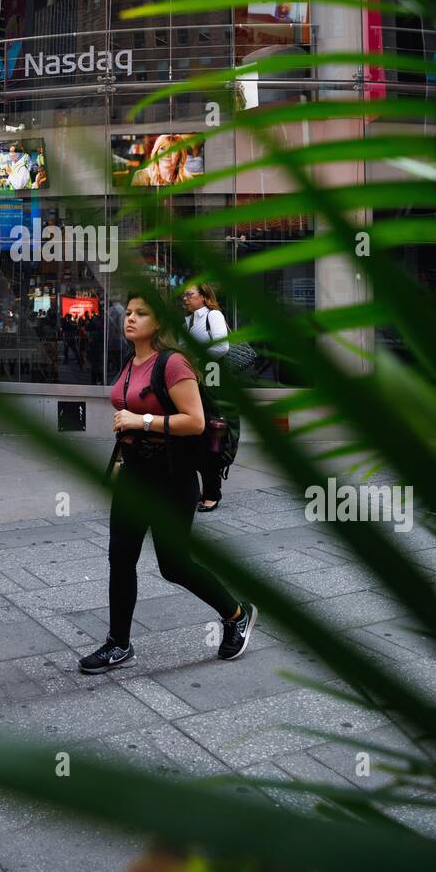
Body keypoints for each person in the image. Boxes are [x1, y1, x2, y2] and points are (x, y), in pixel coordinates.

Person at [78, 288, 256, 674]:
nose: (129, 319)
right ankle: (118, 644)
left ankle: (236, 614)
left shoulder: (173, 363)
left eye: (140, 313)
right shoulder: (131, 363)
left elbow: (195, 422)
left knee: (173, 565)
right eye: (128, 312)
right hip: (135, 473)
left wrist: (139, 421)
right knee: (120, 559)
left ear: (158, 322)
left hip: (172, 477)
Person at [182, 283, 235, 513]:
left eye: (190, 294)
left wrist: (194, 356)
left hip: (210, 386)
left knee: (209, 437)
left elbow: (221, 347)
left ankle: (212, 492)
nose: (185, 298)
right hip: (191, 384)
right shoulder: (188, 321)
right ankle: (197, 490)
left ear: (203, 297)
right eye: (184, 295)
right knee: (191, 438)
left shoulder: (213, 315)